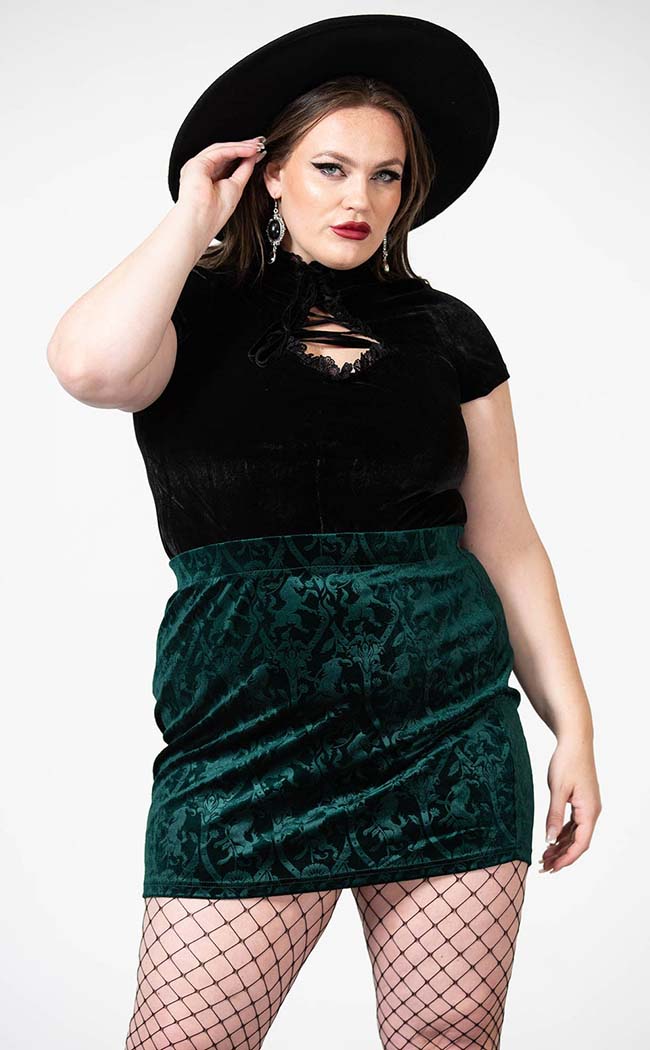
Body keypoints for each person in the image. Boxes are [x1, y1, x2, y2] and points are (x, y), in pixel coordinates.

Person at [47, 15, 602, 1050]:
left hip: (448, 731)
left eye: (386, 177)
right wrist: (193, 216)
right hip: (243, 743)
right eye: (331, 168)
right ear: (269, 173)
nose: (359, 200)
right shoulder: (184, 315)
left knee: (446, 1035)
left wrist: (572, 724)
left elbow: (507, 539)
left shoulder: (446, 331)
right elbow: (89, 368)